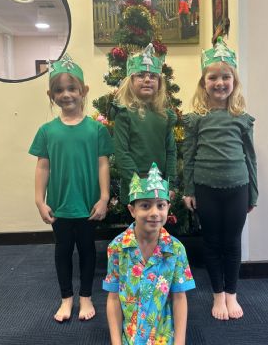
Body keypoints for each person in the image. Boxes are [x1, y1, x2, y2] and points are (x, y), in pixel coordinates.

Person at [29, 54, 113, 322]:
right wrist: (39, 201)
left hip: (88, 204)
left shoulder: (96, 130)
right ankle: (66, 298)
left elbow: (103, 164)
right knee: (62, 251)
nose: (66, 94)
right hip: (60, 205)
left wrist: (104, 197)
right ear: (51, 95)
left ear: (83, 91)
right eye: (59, 90)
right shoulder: (47, 131)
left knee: (87, 250)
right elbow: (43, 167)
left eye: (72, 88)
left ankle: (86, 296)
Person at [182, 37, 258, 321]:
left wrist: (253, 193)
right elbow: (189, 156)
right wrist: (188, 189)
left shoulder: (242, 118)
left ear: (234, 81)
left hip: (238, 188)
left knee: (233, 242)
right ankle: (217, 294)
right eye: (212, 77)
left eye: (226, 77)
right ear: (203, 83)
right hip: (206, 188)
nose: (219, 83)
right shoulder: (196, 119)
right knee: (212, 242)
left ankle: (231, 293)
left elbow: (250, 158)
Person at [103, 163, 196, 345]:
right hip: (131, 337)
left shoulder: (176, 249)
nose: (154, 213)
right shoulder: (117, 248)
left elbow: (179, 298)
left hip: (163, 337)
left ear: (168, 208)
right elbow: (113, 298)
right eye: (145, 206)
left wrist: (180, 342)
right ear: (132, 210)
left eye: (161, 205)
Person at [113, 43, 177, 210]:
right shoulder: (124, 114)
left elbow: (171, 151)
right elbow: (121, 152)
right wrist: (137, 183)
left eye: (153, 76)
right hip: (135, 186)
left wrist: (170, 182)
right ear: (131, 81)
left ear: (159, 83)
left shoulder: (165, 116)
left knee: (157, 223)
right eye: (141, 75)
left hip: (160, 185)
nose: (147, 79)